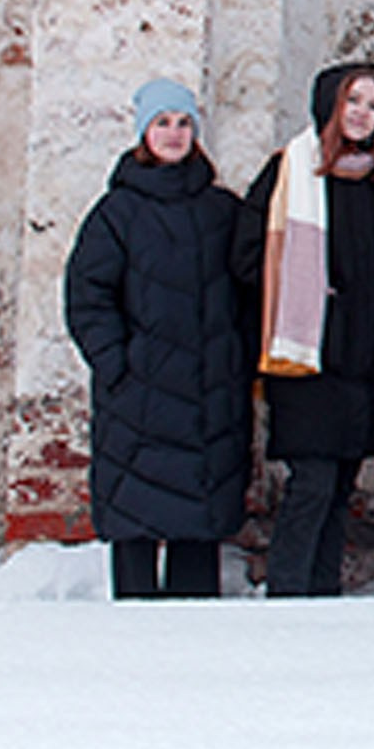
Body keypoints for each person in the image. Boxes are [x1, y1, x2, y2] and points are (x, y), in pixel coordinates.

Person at [64, 79, 251, 600]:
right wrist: (117, 363)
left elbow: (248, 288)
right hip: (139, 394)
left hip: (208, 391)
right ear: (143, 132)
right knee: (135, 525)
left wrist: (236, 361)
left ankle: (191, 647)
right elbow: (88, 295)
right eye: (163, 123)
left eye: (184, 123)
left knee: (199, 525)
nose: (174, 134)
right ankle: (133, 650)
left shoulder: (221, 211)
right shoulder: (116, 214)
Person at [235, 62, 374, 598]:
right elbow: (247, 255)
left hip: (364, 356)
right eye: (353, 101)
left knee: (341, 487)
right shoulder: (290, 172)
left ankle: (324, 595)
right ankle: (288, 593)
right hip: (307, 351)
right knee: (312, 482)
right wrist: (303, 286)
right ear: (329, 104)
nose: (362, 115)